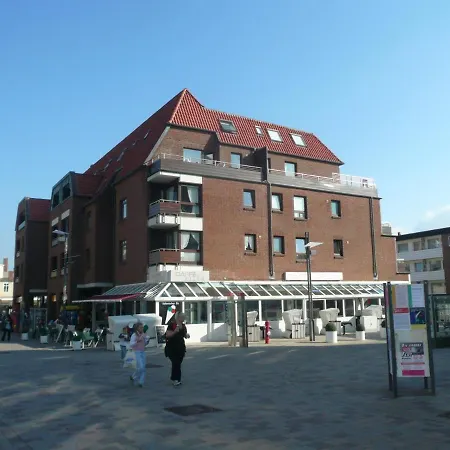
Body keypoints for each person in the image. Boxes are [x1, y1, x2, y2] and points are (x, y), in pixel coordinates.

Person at [165, 312, 190, 386]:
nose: (184, 318)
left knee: (178, 363)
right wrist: (174, 332)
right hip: (172, 347)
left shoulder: (183, 326)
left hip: (180, 347)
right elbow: (167, 335)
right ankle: (176, 379)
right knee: (175, 363)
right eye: (182, 317)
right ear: (178, 317)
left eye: (184, 317)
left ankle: (175, 378)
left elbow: (184, 335)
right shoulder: (172, 325)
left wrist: (187, 335)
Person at [129, 322, 148, 388]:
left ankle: (141, 382)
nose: (142, 328)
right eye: (140, 327)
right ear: (137, 328)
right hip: (137, 352)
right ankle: (134, 376)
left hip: (143, 351)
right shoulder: (134, 335)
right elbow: (131, 344)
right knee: (141, 367)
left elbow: (145, 343)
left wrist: (147, 341)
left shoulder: (144, 334)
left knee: (143, 367)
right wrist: (137, 341)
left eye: (142, 327)